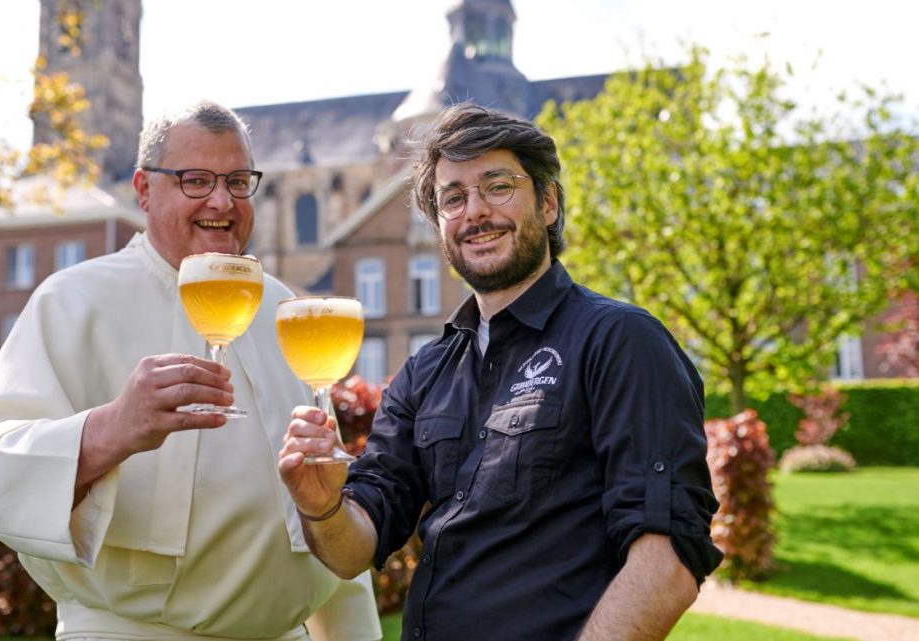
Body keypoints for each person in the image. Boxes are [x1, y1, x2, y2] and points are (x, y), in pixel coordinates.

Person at [278, 103, 723, 641]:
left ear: (550, 202)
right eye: (453, 198)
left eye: (498, 186)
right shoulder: (425, 372)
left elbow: (669, 558)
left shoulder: (621, 341)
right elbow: (355, 550)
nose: (475, 212)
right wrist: (322, 506)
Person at [0, 101, 381, 641]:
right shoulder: (73, 300)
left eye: (238, 181)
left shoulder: (285, 308)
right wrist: (112, 429)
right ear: (144, 189)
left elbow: (322, 500)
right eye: (196, 181)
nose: (222, 200)